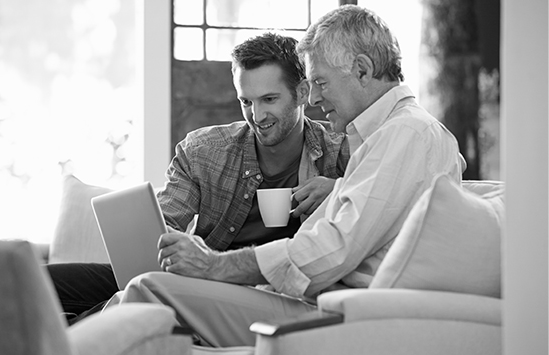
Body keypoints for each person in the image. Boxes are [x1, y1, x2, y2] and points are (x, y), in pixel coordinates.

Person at [114, 4, 466, 348]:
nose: (312, 97)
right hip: (320, 300)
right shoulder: (391, 137)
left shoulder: (407, 135)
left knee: (149, 289)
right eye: (247, 101)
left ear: (361, 70)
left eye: (320, 82)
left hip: (332, 311)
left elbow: (332, 250)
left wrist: (214, 266)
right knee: (123, 290)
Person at [48, 32, 347, 324]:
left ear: (303, 92)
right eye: (246, 102)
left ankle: (62, 336)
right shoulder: (205, 151)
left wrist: (338, 189)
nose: (257, 115)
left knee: (137, 297)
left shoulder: (341, 153)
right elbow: (166, 223)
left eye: (269, 99)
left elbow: (378, 206)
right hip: (200, 281)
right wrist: (166, 243)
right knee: (44, 280)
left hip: (263, 295)